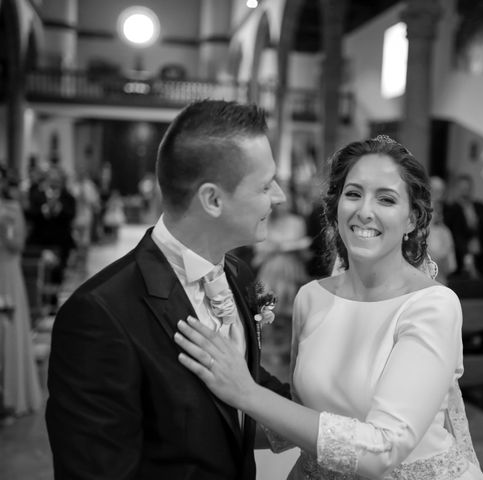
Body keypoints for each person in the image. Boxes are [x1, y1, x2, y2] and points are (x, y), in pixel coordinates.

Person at [174, 136, 483, 480]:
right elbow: (301, 419)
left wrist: (246, 392)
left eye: (386, 199)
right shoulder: (312, 298)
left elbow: (382, 449)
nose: (364, 210)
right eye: (353, 194)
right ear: (336, 207)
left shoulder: (432, 306)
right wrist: (184, 418)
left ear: (412, 218)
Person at [46, 100, 290, 479]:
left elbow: (248, 390)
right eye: (265, 185)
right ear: (212, 199)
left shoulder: (237, 275)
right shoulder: (100, 315)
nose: (279, 197)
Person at [0, 167, 43, 422]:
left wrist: (4, 230)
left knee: (10, 331)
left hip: (6, 273)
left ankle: (10, 397)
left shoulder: (11, 209)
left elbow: (17, 245)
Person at [443, 174, 483, 279]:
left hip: (480, 254)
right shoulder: (451, 209)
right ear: (456, 190)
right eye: (462, 189)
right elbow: (455, 233)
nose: (465, 193)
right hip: (460, 255)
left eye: (468, 189)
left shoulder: (480, 207)